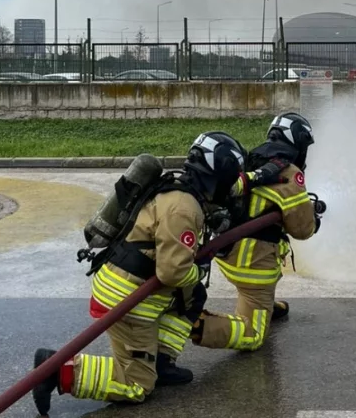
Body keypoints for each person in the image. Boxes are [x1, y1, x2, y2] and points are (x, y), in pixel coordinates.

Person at [31, 131, 247, 416]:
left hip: (126, 289)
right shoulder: (184, 207)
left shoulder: (179, 190)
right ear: (218, 175)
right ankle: (58, 371)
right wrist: (197, 270)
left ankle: (161, 363)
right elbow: (172, 272)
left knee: (194, 297)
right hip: (129, 302)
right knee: (136, 385)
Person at [190, 112, 320, 352]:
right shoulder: (290, 174)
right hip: (253, 264)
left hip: (229, 253)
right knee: (253, 335)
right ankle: (197, 324)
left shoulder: (253, 158)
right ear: (299, 144)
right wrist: (314, 216)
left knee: (262, 287)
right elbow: (302, 229)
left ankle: (265, 306)